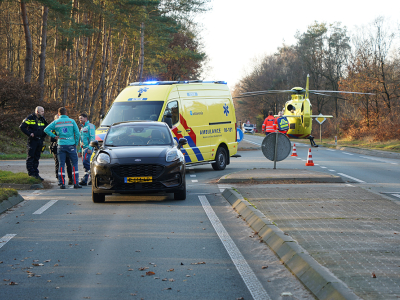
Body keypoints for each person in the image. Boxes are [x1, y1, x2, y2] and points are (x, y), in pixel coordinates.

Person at [44, 107, 82, 189]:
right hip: (71, 145)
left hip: (61, 145)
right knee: (74, 164)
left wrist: (54, 136)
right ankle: (76, 183)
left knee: (61, 164)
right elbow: (78, 133)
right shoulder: (71, 121)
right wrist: (75, 143)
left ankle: (62, 184)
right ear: (66, 113)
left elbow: (46, 129)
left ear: (58, 114)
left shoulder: (56, 122)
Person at [19, 106, 48, 180]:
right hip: (33, 141)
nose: (43, 113)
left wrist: (44, 135)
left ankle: (36, 173)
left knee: (37, 157)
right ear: (37, 112)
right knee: (31, 157)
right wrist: (29, 134)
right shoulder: (30, 118)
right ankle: (31, 174)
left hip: (40, 140)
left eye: (43, 111)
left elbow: (46, 128)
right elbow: (22, 127)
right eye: (42, 111)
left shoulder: (42, 119)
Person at [49, 114, 74, 185]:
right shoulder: (53, 127)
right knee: (58, 164)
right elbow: (51, 138)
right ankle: (59, 179)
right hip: (57, 147)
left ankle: (70, 179)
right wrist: (57, 137)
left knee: (69, 163)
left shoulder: (66, 125)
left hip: (67, 146)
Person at [77, 113, 96, 186]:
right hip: (83, 148)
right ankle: (88, 179)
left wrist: (90, 147)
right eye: (79, 119)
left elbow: (92, 137)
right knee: (85, 164)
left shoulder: (90, 126)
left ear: (85, 118)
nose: (80, 120)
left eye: (81, 118)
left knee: (86, 163)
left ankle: (90, 178)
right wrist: (79, 150)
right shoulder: (82, 127)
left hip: (88, 148)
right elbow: (81, 140)